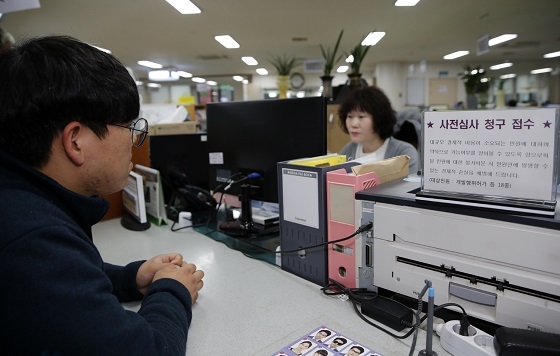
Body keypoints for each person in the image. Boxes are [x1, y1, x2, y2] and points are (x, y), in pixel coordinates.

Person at [0, 35, 204, 354]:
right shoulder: (31, 237)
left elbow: (67, 277)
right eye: (127, 125)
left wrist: (131, 278)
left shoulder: (25, 199)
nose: (133, 142)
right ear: (76, 141)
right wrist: (172, 290)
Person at [338, 86, 419, 174]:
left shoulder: (404, 153)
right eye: (350, 116)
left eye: (361, 117)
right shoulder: (349, 150)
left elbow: (410, 187)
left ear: (379, 118)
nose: (353, 124)